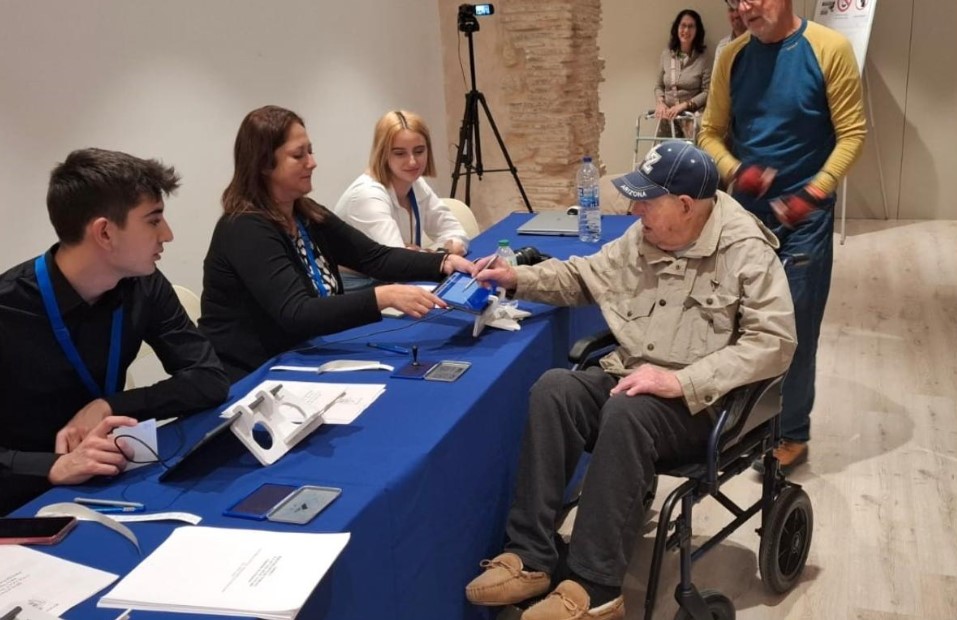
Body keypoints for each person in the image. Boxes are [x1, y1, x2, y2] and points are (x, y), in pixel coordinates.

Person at [464, 142, 796, 620]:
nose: (634, 210)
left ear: (685, 205)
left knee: (626, 413)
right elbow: (584, 276)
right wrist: (515, 277)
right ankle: (531, 556)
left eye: (647, 201)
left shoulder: (746, 250)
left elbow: (775, 342)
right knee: (556, 389)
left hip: (706, 403)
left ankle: (596, 589)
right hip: (635, 380)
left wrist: (682, 382)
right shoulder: (645, 236)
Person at [0, 148, 230, 515]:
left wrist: (110, 405)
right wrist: (53, 467)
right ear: (105, 233)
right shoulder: (9, 309)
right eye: (154, 220)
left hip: (112, 479)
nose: (167, 235)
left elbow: (209, 378)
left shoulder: (143, 284)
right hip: (27, 503)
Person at [699, 0, 866, 472]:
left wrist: (812, 193)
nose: (745, 7)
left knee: (795, 327)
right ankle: (740, 424)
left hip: (804, 218)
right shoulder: (732, 57)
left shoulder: (829, 49)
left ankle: (791, 432)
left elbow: (852, 134)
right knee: (735, 322)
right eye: (736, 0)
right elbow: (710, 132)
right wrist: (737, 171)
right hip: (743, 217)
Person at [200, 106, 476, 380]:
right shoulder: (245, 229)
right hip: (253, 375)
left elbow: (375, 257)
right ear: (263, 165)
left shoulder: (306, 213)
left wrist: (443, 263)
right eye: (298, 155)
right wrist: (383, 297)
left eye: (310, 151)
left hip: (306, 352)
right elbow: (297, 312)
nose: (312, 162)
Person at [334, 110, 469, 290]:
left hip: (396, 279)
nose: (412, 162)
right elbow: (398, 264)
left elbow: (457, 234)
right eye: (400, 153)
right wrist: (439, 255)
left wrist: (431, 253)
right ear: (383, 153)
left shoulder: (415, 183)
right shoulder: (367, 196)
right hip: (356, 288)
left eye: (419, 151)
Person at [654, 9, 711, 139]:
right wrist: (660, 103)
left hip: (692, 117)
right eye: (683, 25)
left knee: (688, 149)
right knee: (665, 150)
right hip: (668, 116)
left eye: (691, 26)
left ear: (697, 31)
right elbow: (658, 86)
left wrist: (683, 106)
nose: (686, 30)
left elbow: (707, 92)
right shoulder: (666, 54)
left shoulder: (704, 57)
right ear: (677, 28)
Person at [713, 0, 747, 72]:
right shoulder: (722, 47)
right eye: (731, 10)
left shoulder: (762, 41)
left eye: (739, 9)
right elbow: (717, 77)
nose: (736, 15)